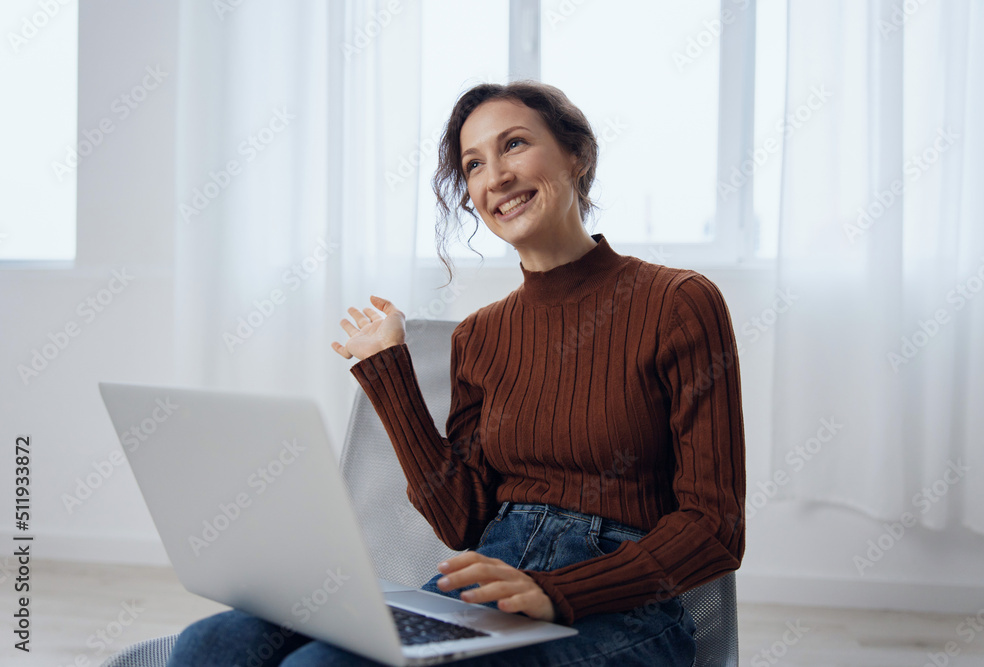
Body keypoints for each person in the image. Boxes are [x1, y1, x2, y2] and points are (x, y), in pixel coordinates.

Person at [166, 80, 746, 666]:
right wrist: (388, 375)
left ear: (577, 155)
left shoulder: (678, 302)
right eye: (474, 164)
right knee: (211, 645)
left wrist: (556, 592)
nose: (496, 177)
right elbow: (461, 520)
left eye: (514, 144)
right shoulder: (480, 335)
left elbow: (715, 528)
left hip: (625, 610)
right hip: (488, 579)